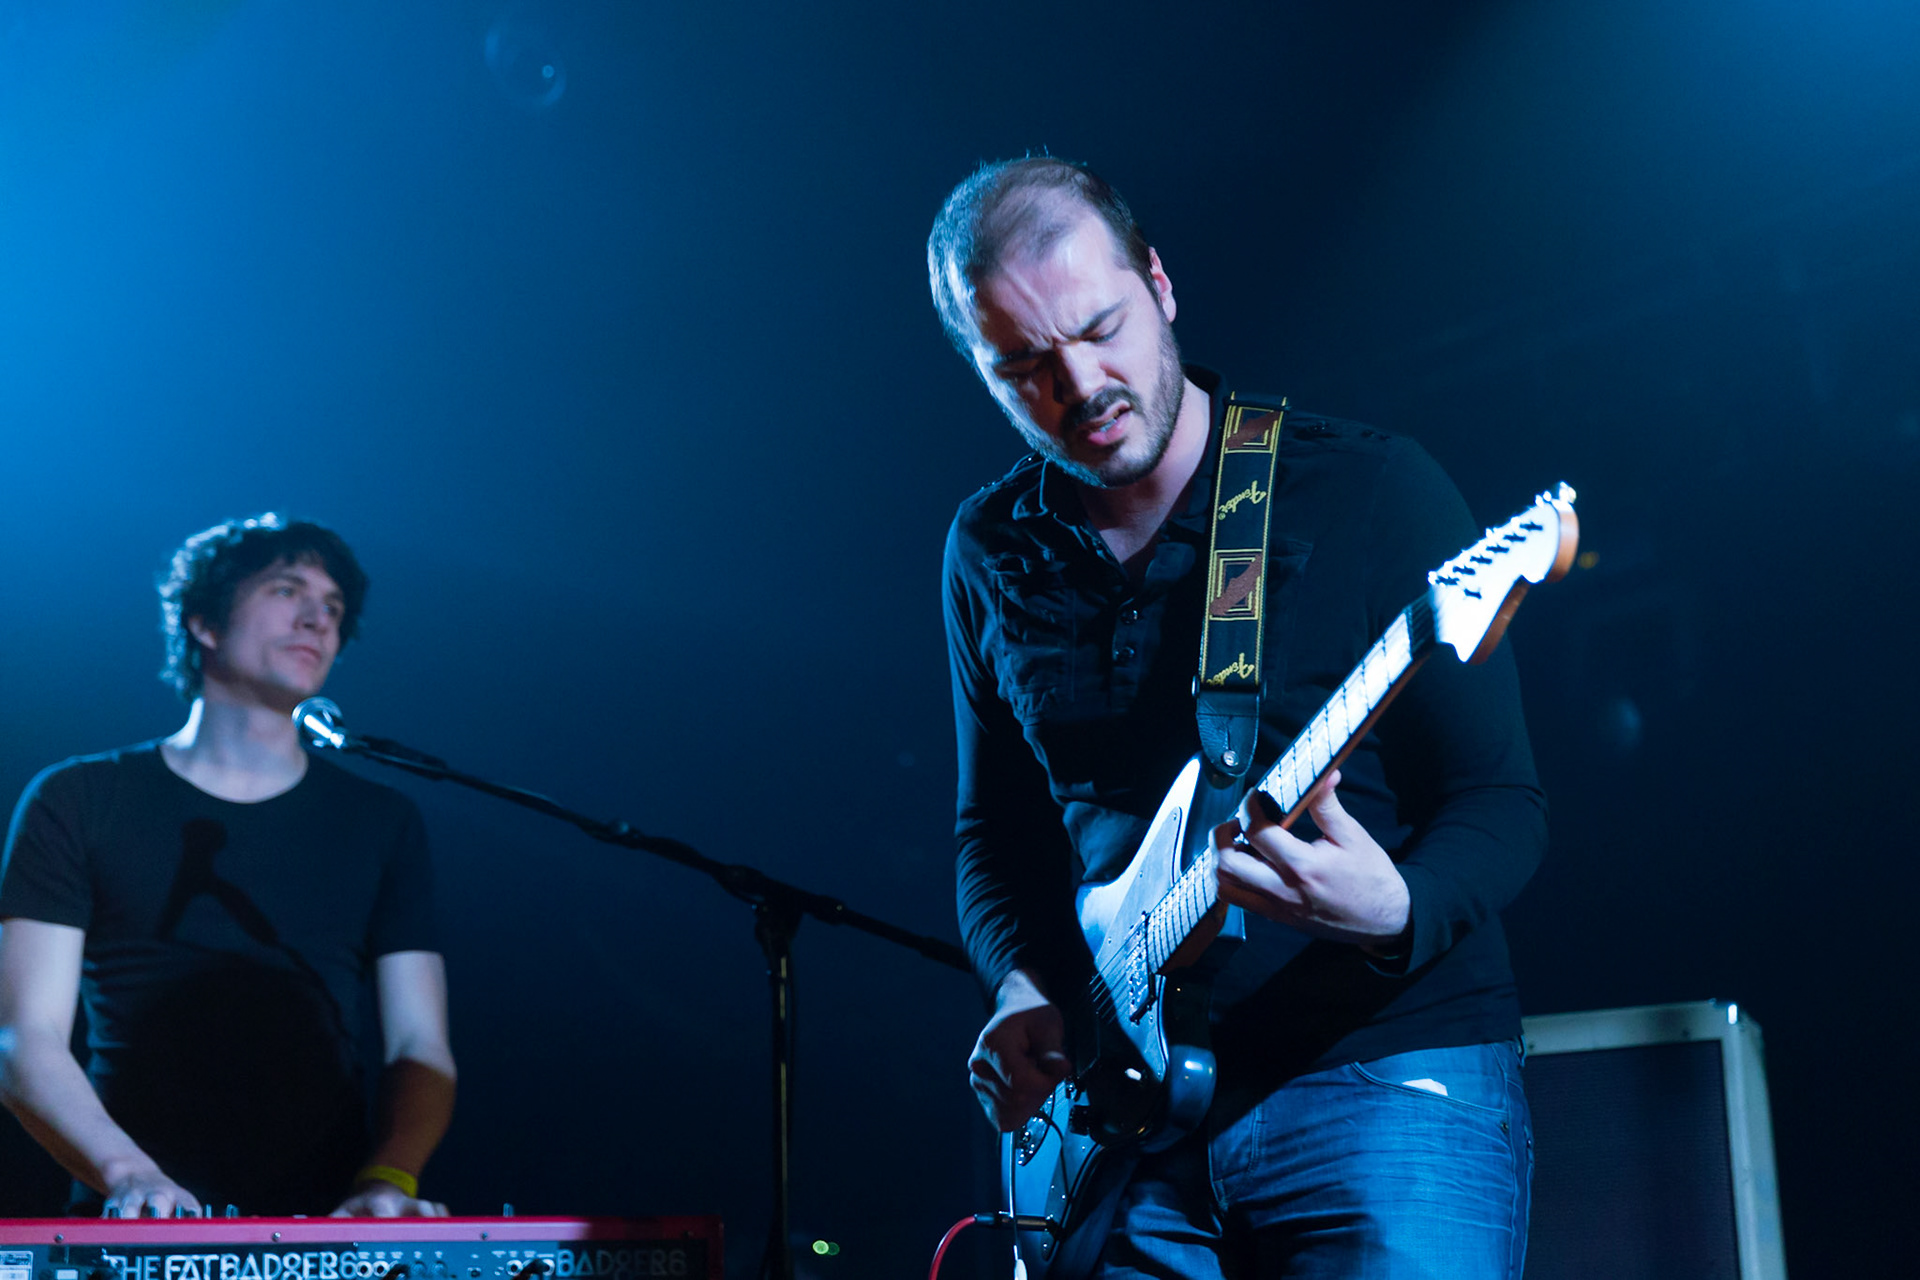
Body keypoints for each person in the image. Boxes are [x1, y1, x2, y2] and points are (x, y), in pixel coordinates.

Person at [932, 157, 1546, 1277]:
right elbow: (997, 836)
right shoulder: (987, 550)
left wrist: (1397, 906)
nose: (1081, 385)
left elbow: (1499, 802)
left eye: (1102, 326)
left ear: (1160, 285)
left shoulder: (1367, 488)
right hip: (1127, 1130)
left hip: (1379, 1082)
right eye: (1024, 365)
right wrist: (1022, 981)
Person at [0, 515, 456, 1218]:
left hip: (332, 1221)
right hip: (134, 1219)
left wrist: (388, 1181)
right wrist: (128, 1176)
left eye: (334, 607)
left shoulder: (381, 820)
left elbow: (420, 1042)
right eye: (286, 589)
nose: (317, 617)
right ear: (204, 622)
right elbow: (24, 1036)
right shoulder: (79, 799)